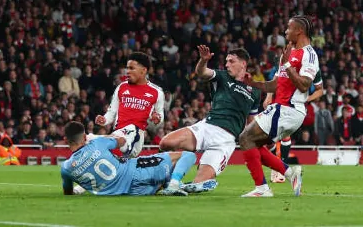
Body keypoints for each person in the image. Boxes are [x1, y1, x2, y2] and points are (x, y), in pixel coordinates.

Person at [158, 46, 260, 194]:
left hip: (227, 140)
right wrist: (203, 61)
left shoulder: (255, 91)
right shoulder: (222, 76)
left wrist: (251, 142)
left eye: (231, 61)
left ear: (243, 64)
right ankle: (163, 177)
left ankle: (187, 184)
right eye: (226, 61)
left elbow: (251, 121)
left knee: (197, 184)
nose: (227, 65)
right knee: (166, 142)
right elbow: (202, 72)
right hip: (208, 127)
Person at [240, 15, 318, 197]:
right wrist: (253, 83)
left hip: (289, 109)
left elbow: (305, 85)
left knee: (245, 138)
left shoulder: (309, 54)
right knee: (252, 143)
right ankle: (291, 174)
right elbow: (275, 85)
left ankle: (262, 189)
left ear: (299, 31)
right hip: (280, 108)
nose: (285, 31)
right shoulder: (288, 53)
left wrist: (288, 64)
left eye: (289, 28)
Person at [60, 121, 196, 196]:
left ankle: (165, 184)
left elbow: (68, 192)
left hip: (131, 192)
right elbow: (121, 141)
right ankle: (174, 183)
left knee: (158, 182)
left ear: (65, 139)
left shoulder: (66, 168)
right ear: (84, 137)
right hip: (136, 171)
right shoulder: (97, 143)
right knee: (187, 155)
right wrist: (97, 137)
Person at [95, 52, 165, 158]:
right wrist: (104, 120)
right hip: (118, 134)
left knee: (131, 129)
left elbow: (160, 116)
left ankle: (94, 141)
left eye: (132, 68)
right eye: (127, 68)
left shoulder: (157, 92)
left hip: (136, 137)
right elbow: (112, 112)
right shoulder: (121, 87)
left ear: (144, 70)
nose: (127, 72)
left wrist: (157, 118)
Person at [271, 69, 323, 183]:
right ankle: (278, 168)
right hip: (278, 104)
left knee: (284, 135)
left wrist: (307, 99)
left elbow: (320, 91)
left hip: (294, 109)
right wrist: (268, 97)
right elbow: (274, 82)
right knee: (272, 137)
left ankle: (280, 169)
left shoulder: (312, 67)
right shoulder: (284, 63)